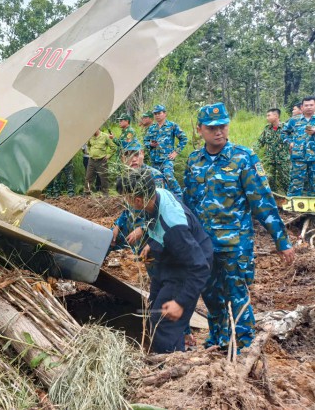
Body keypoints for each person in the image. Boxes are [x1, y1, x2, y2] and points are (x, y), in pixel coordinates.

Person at [183, 102, 294, 353]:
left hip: (235, 244)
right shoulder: (194, 161)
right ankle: (219, 340)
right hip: (204, 246)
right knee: (210, 296)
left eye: (223, 125)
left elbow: (263, 203)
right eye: (212, 127)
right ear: (200, 129)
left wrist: (282, 241)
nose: (218, 131)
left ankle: (244, 345)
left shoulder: (243, 158)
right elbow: (188, 204)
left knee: (238, 295)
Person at [115, 169, 213, 353]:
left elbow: (200, 267)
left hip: (187, 266)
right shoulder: (155, 195)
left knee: (164, 324)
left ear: (137, 200)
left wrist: (180, 302)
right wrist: (153, 242)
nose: (125, 202)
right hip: (170, 258)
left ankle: (169, 367)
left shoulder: (175, 228)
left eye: (126, 198)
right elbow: (155, 223)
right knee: (155, 309)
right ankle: (172, 352)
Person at [110, 139, 166, 252]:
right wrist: (117, 225)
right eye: (128, 155)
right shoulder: (126, 177)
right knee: (106, 239)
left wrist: (143, 229)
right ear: (122, 158)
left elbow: (162, 210)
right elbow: (127, 207)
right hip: (130, 226)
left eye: (136, 154)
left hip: (150, 230)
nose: (133, 159)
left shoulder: (154, 176)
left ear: (143, 154)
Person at [143, 104, 187, 198]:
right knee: (158, 182)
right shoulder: (152, 128)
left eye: (159, 113)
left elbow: (184, 138)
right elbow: (145, 141)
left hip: (167, 159)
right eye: (155, 114)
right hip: (155, 160)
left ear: (165, 114)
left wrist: (176, 152)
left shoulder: (172, 126)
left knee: (168, 175)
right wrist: (150, 144)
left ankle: (180, 197)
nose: (157, 115)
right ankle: (164, 199)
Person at [281, 96, 315, 197]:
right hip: (298, 156)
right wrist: (290, 142)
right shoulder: (294, 120)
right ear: (302, 107)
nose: (309, 107)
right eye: (306, 105)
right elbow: (284, 133)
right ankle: (293, 206)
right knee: (296, 182)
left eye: (311, 105)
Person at [256, 108, 290, 193]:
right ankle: (274, 196)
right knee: (269, 179)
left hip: (283, 159)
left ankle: (289, 197)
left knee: (285, 180)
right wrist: (252, 151)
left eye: (268, 115)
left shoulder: (286, 127)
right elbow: (260, 142)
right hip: (270, 159)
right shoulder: (267, 128)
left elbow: (292, 141)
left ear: (276, 116)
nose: (267, 117)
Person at [85, 128, 116, 195]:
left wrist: (108, 156)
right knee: (88, 178)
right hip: (91, 160)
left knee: (104, 179)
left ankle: (105, 195)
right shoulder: (90, 136)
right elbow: (88, 145)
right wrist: (90, 152)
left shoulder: (105, 136)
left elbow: (113, 147)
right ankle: (86, 194)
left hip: (101, 161)